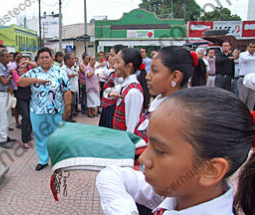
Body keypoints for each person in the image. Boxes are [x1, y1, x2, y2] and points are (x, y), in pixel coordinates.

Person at [96, 87, 254, 215]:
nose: (144, 158)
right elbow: (111, 175)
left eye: (159, 150)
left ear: (211, 170)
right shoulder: (182, 192)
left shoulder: (178, 188)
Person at [134, 47, 204, 167]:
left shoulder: (176, 114)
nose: (148, 76)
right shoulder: (159, 101)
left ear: (175, 77)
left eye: (155, 71)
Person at [18, 47, 71, 171]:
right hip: (37, 111)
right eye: (41, 57)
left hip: (56, 110)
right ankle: (43, 160)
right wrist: (37, 80)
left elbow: (67, 91)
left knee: (56, 136)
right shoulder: (33, 72)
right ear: (38, 60)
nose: (44, 60)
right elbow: (20, 81)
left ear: (52, 58)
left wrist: (67, 108)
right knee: (40, 136)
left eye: (47, 57)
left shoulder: (60, 72)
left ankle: (58, 160)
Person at [111, 48, 150, 133]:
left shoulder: (133, 92)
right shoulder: (125, 85)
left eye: (118, 62)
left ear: (128, 66)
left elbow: (131, 129)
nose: (114, 66)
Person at [0, 49, 16, 149]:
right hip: (0, 93)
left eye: (9, 56)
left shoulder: (5, 67)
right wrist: (11, 75)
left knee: (8, 115)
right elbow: (4, 82)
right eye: (6, 56)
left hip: (6, 93)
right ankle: (2, 139)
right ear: (1, 57)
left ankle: (6, 135)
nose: (8, 58)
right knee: (2, 117)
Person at [99, 44, 125, 128]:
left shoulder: (121, 75)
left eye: (112, 55)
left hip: (112, 108)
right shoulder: (114, 72)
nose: (109, 58)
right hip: (108, 106)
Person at [13, 56, 32, 149]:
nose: (24, 63)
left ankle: (30, 132)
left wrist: (28, 64)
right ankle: (25, 140)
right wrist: (22, 73)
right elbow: (19, 82)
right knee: (25, 116)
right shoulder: (15, 72)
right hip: (21, 97)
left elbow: (37, 66)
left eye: (25, 62)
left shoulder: (30, 70)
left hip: (30, 96)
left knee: (31, 116)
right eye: (21, 62)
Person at [238, 41, 255, 110]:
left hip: (253, 80)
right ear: (247, 47)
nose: (252, 49)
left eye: (254, 47)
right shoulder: (243, 54)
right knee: (242, 100)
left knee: (251, 100)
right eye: (250, 47)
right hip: (244, 79)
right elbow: (246, 59)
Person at [62, 52, 78, 122]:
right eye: (72, 59)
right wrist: (71, 75)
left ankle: (70, 118)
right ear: (67, 60)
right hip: (68, 91)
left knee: (72, 105)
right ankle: (66, 119)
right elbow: (63, 77)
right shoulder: (63, 68)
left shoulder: (72, 68)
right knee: (68, 106)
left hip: (74, 90)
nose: (74, 60)